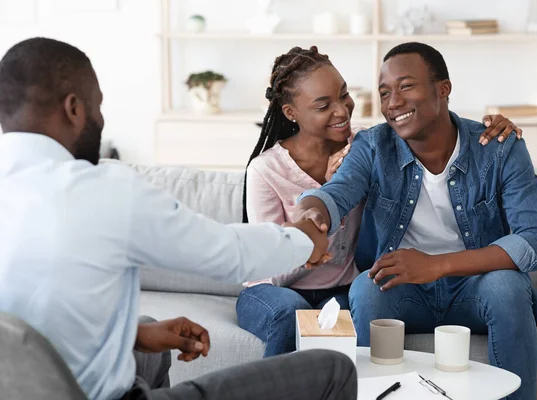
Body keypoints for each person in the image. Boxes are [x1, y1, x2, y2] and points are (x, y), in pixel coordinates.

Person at [0, 37, 357, 400]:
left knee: (147, 337)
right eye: (98, 106)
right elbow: (226, 253)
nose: (102, 120)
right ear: (74, 108)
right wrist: (304, 238)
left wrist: (135, 336)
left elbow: (27, 317)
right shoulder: (102, 190)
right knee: (334, 369)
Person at [294, 42, 537, 400]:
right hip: (404, 293)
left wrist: (437, 265)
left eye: (406, 86)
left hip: (476, 289)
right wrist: (311, 213)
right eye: (385, 93)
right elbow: (337, 193)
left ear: (443, 89)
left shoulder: (498, 147)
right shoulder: (373, 146)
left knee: (507, 287)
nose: (393, 103)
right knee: (367, 289)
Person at [237, 45, 526, 357]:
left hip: (340, 289)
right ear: (292, 113)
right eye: (323, 106)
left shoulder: (365, 146)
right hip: (277, 287)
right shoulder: (266, 169)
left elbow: (416, 133)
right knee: (291, 311)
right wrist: (307, 234)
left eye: (343, 94)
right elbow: (276, 255)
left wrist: (497, 131)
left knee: (352, 312)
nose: (341, 110)